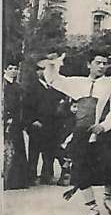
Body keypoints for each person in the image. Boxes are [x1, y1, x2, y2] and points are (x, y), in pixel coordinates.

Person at [43, 50, 111, 215]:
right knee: (80, 170)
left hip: (105, 133)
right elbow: (54, 80)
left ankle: (108, 197)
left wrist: (104, 126)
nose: (102, 66)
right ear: (89, 64)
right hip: (82, 133)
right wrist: (52, 64)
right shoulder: (78, 83)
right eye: (98, 62)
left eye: (104, 63)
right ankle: (93, 209)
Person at [25, 59, 69, 185]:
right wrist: (32, 121)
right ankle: (31, 176)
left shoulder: (55, 86)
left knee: (49, 151)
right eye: (42, 69)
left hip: (52, 124)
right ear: (37, 72)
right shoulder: (32, 88)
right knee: (34, 151)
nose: (45, 72)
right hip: (37, 124)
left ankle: (47, 175)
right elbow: (27, 106)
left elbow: (61, 103)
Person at [3, 59, 28, 190]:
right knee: (7, 149)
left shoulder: (18, 86)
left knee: (17, 149)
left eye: (15, 68)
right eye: (11, 68)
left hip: (17, 122)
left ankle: (17, 181)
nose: (13, 71)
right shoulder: (3, 85)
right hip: (6, 121)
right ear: (5, 70)